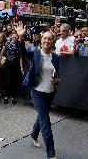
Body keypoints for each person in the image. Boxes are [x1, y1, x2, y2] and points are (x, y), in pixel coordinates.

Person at [21, 31, 60, 159]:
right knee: (46, 122)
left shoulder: (55, 57)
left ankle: (33, 135)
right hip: (37, 92)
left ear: (52, 41)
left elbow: (56, 74)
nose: (46, 41)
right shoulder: (35, 53)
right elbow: (24, 52)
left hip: (50, 92)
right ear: (41, 40)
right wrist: (21, 37)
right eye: (44, 38)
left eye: (49, 39)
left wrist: (57, 80)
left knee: (41, 117)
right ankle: (51, 154)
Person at [0, 33, 23, 104]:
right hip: (8, 64)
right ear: (11, 38)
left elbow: (20, 57)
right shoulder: (7, 44)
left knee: (14, 82)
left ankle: (13, 97)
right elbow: (1, 54)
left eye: (16, 37)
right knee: (7, 81)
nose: (15, 39)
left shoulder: (19, 45)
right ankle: (6, 96)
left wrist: (21, 67)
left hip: (16, 65)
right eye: (13, 37)